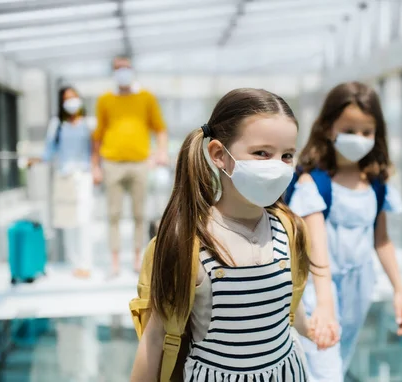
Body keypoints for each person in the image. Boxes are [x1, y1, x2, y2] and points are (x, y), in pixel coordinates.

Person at [130, 88, 339, 381]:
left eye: (287, 155)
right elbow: (154, 339)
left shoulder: (288, 229)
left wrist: (311, 329)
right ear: (219, 155)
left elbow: (287, 306)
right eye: (261, 153)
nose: (277, 166)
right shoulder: (190, 243)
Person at [286, 82, 402, 381]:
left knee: (339, 362)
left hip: (360, 286)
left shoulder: (376, 183)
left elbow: (381, 240)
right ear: (329, 128)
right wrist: (326, 304)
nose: (358, 138)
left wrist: (399, 290)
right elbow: (316, 250)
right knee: (324, 370)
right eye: (349, 130)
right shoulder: (313, 183)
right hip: (319, 288)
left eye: (366, 132)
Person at [92, 56, 168, 276]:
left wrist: (160, 152)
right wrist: (95, 165)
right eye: (118, 68)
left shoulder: (146, 97)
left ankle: (137, 260)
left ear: (132, 70)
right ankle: (114, 263)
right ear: (113, 72)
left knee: (139, 215)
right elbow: (97, 135)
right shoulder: (105, 99)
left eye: (125, 67)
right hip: (112, 163)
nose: (122, 71)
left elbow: (159, 128)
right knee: (113, 214)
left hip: (140, 163)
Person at [30, 86, 94, 278]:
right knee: (69, 220)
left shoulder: (88, 123)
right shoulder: (57, 124)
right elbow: (49, 151)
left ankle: (86, 263)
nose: (72, 101)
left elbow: (95, 149)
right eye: (67, 98)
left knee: (84, 219)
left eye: (74, 97)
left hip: (83, 176)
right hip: (64, 176)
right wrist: (36, 159)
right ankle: (76, 262)